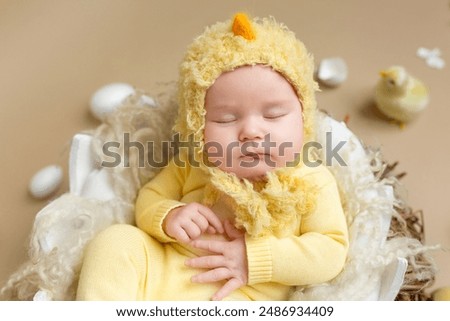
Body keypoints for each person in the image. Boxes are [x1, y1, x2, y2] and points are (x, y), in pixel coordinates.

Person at [76, 13, 349, 301]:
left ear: (303, 117)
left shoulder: (311, 181)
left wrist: (256, 258)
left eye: (273, 115)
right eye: (226, 119)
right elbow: (149, 198)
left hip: (237, 292)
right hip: (161, 269)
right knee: (117, 240)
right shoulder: (193, 164)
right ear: (198, 126)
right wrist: (169, 215)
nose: (251, 132)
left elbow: (331, 250)